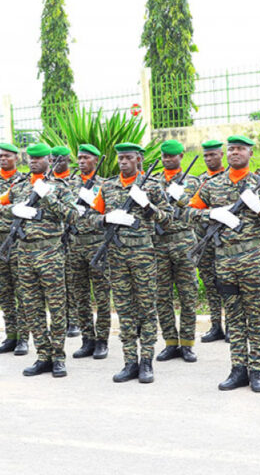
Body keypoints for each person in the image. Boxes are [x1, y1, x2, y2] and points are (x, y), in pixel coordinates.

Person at [182, 135, 260, 393]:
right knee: (234, 317)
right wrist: (211, 213)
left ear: (250, 154)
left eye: (240, 149)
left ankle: (257, 371)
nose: (234, 153)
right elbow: (186, 212)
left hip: (253, 260)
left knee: (255, 316)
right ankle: (238, 369)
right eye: (231, 149)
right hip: (225, 261)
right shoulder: (213, 185)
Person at [89, 142, 172, 384]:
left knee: (146, 309)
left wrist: (148, 206)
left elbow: (168, 219)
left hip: (143, 257)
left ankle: (146, 361)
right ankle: (129, 362)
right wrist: (105, 218)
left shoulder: (152, 187)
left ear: (139, 160)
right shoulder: (108, 187)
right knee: (124, 310)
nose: (123, 162)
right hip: (116, 257)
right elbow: (89, 218)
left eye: (128, 158)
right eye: (121, 158)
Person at [0, 143, 77, 377]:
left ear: (49, 160)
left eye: (38, 159)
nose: (33, 162)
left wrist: (48, 196)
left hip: (50, 254)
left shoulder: (59, 187)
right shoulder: (19, 187)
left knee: (57, 308)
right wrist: (14, 210)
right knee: (32, 307)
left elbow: (73, 215)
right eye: (30, 158)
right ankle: (43, 356)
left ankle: (58, 357)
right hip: (25, 255)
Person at [152, 139, 200, 363]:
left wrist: (179, 196)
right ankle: (170, 342)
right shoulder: (153, 182)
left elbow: (193, 205)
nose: (167, 159)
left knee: (188, 295)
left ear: (181, 156)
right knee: (162, 296)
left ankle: (187, 344)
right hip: (159, 243)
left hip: (184, 242)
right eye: (164, 156)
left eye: (171, 156)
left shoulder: (192, 181)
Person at [0, 142, 29, 356]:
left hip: (18, 239)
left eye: (7, 156)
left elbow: (23, 209)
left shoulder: (24, 181)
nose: (2, 159)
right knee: (4, 290)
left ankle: (23, 338)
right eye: (0, 156)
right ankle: (10, 335)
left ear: (16, 159)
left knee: (22, 289)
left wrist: (0, 207)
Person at [65, 144, 111, 360]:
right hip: (75, 244)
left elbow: (110, 213)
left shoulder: (105, 185)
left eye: (86, 158)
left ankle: (102, 340)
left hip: (97, 245)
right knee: (80, 294)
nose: (82, 161)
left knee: (101, 295)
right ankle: (87, 339)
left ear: (96, 161)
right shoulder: (69, 184)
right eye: (80, 158)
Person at [195, 140, 227, 343]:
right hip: (205, 239)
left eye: (212, 155)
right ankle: (216, 325)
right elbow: (194, 209)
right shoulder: (200, 182)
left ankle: (233, 326)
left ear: (221, 155)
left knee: (228, 283)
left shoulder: (229, 178)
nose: (209, 159)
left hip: (225, 241)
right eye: (206, 155)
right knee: (210, 283)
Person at [51, 145, 79, 337]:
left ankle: (74, 320)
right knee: (58, 280)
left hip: (73, 237)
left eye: (59, 159)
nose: (55, 163)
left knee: (72, 279)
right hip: (53, 238)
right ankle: (63, 319)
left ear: (68, 160)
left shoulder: (75, 182)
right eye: (53, 159)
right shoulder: (48, 183)